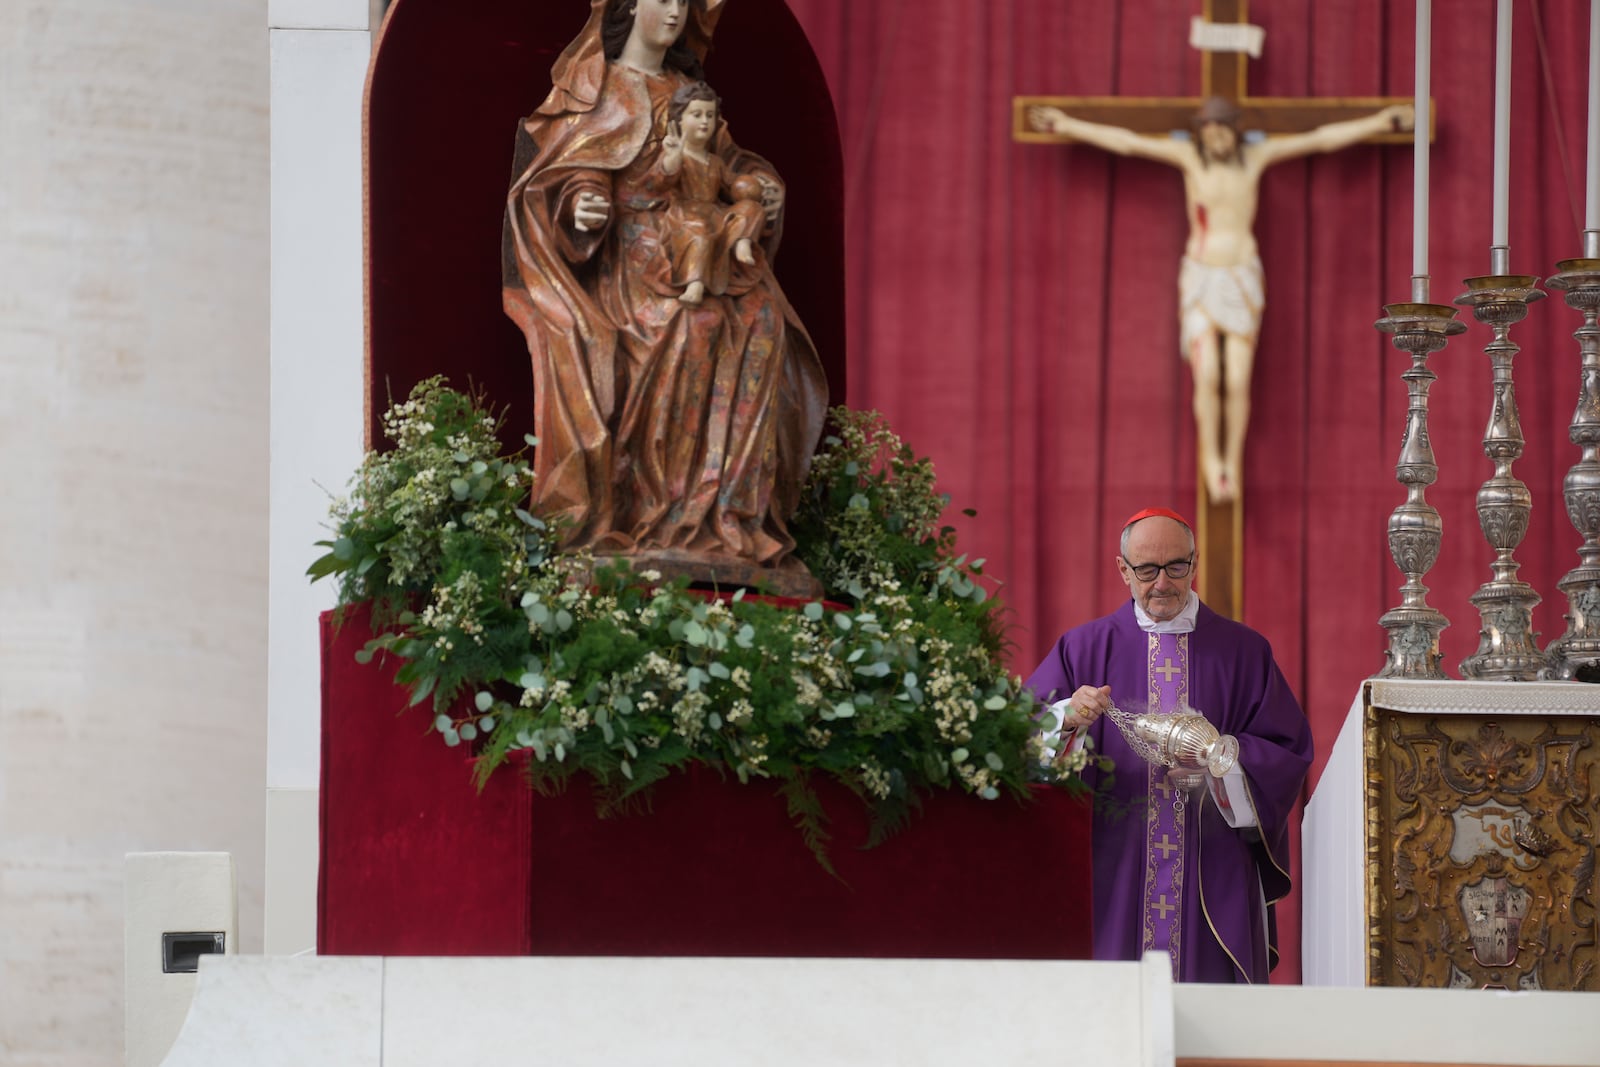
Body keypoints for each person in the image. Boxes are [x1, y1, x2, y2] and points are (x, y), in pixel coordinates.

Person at [501, 0, 828, 585]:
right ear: (629, 7)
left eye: (685, 1)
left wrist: (765, 188)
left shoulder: (688, 88)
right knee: (689, 325)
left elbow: (729, 166)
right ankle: (657, 511)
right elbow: (561, 175)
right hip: (626, 261)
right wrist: (582, 206)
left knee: (761, 319)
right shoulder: (595, 90)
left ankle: (726, 514)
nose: (677, 10)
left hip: (696, 242)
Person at [1027, 98, 1415, 503]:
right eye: (1207, 134)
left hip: (1241, 277)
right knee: (1208, 373)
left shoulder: (1256, 156)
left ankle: (1231, 460)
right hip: (1202, 276)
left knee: (1237, 377)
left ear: (1233, 131)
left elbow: (1320, 138)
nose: (1214, 140)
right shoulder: (1188, 159)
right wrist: (1069, 124)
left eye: (1220, 132)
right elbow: (1127, 142)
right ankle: (1212, 462)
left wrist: (1378, 121)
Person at [1026, 507, 1313, 983]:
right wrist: (1066, 720)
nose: (1162, 583)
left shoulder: (1244, 652)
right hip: (1113, 865)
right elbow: (1021, 735)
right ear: (1123, 570)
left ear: (1194, 563)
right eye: (1146, 570)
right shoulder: (1082, 648)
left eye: (1176, 567)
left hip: (1211, 867)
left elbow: (1286, 752)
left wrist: (1221, 772)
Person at [654, 81, 767, 307]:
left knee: (752, 207)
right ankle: (695, 283)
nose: (705, 121)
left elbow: (732, 186)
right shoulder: (678, 155)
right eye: (697, 115)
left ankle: (741, 241)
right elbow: (662, 180)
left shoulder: (715, 161)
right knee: (700, 231)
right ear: (678, 120)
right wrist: (673, 157)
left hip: (715, 213)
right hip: (686, 215)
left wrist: (751, 184)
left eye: (710, 115)